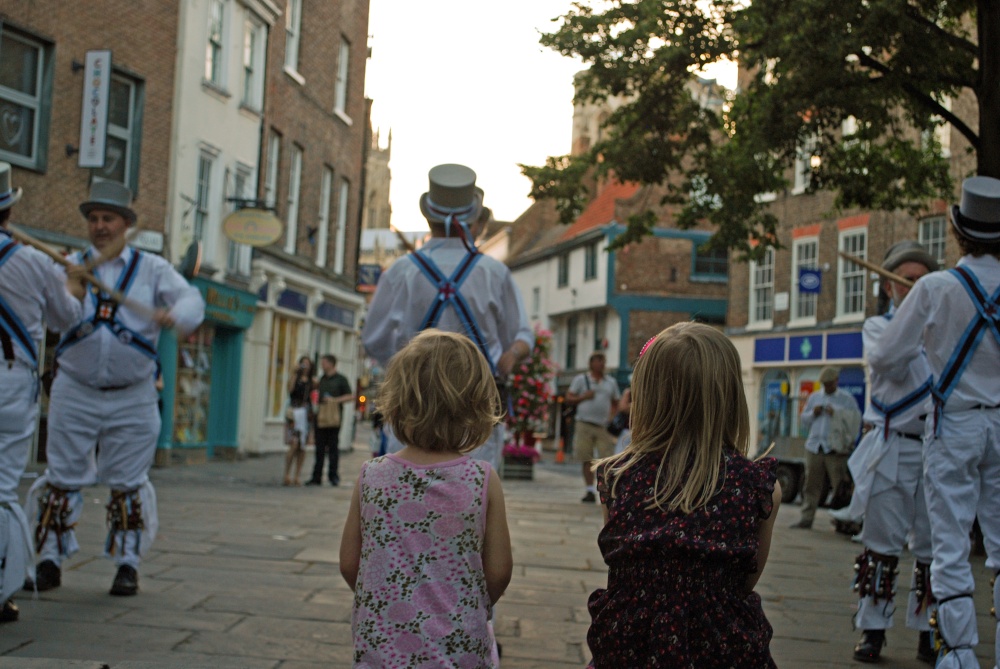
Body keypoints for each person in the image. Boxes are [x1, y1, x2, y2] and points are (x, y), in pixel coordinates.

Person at [26, 180, 205, 597]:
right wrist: (69, 289)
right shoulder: (68, 265)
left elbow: (192, 300)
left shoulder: (152, 268)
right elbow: (52, 320)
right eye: (93, 219)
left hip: (133, 393)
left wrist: (175, 314)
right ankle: (50, 559)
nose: (100, 226)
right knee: (62, 476)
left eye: (108, 219)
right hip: (75, 388)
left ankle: (128, 565)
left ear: (125, 224)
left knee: (128, 480)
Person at [586, 322, 781, 667]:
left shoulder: (616, 478)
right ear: (730, 395)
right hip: (722, 647)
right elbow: (745, 580)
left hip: (632, 646)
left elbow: (617, 565)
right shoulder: (758, 486)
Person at [868, 176, 1000, 669]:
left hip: (955, 426)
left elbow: (883, 357)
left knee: (949, 544)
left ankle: (959, 653)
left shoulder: (935, 288)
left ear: (959, 231)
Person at [339, 329, 513, 667]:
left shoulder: (371, 476)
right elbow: (499, 570)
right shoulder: (481, 480)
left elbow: (350, 563)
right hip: (458, 646)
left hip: (383, 647)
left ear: (398, 399)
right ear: (475, 404)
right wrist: (464, 603)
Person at [361, 164, 533, 469]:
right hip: (475, 412)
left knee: (408, 501)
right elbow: (520, 337)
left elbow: (374, 340)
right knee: (472, 502)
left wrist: (412, 367)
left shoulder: (402, 271)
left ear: (428, 215)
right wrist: (512, 354)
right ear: (472, 217)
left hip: (414, 406)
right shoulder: (493, 273)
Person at [837, 241, 938, 663]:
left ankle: (930, 631)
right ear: (888, 286)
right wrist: (921, 325)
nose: (911, 287)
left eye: (920, 282)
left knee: (933, 546)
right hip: (893, 444)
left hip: (936, 446)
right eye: (905, 280)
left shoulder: (944, 328)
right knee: (882, 543)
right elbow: (891, 363)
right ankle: (873, 629)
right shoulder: (878, 328)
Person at [0, 163, 85, 622]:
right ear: (9, 209)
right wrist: (69, 279)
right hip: (10, 382)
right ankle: (2, 590)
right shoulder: (32, 261)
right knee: (2, 488)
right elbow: (66, 319)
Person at [791, 365, 862, 529]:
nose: (827, 387)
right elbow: (804, 419)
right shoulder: (815, 397)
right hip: (815, 446)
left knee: (840, 486)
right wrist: (813, 413)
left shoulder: (846, 399)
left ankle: (841, 521)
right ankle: (806, 518)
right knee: (811, 484)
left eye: (830, 384)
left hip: (835, 449)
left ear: (836, 382)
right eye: (825, 384)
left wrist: (836, 413)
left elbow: (854, 421)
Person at [566, 351, 621, 503]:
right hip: (584, 423)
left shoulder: (611, 382)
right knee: (586, 457)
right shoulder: (581, 379)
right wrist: (583, 397)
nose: (601, 364)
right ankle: (589, 490)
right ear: (591, 364)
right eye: (598, 361)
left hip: (603, 426)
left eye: (603, 361)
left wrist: (611, 417)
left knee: (606, 459)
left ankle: (605, 490)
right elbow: (569, 397)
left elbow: (616, 402)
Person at [306, 354, 353, 486]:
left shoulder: (341, 379)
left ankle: (333, 476)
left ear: (331, 364)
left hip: (333, 418)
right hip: (320, 417)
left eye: (324, 362)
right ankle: (316, 476)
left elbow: (350, 396)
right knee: (319, 448)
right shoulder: (321, 380)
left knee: (333, 448)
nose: (322, 365)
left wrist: (334, 400)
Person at [283, 355, 315, 486]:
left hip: (306, 414)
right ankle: (286, 474)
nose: (305, 366)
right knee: (294, 444)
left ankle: (297, 475)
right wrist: (294, 372)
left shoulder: (312, 381)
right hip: (294, 413)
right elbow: (289, 389)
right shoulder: (295, 378)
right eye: (303, 363)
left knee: (302, 447)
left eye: (307, 364)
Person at [612, 387, 632, 455]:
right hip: (627, 430)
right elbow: (622, 407)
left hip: (642, 432)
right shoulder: (629, 392)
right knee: (620, 454)